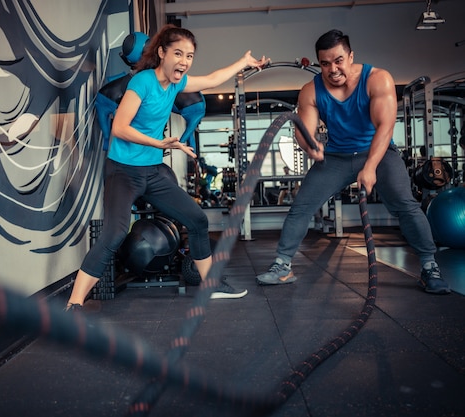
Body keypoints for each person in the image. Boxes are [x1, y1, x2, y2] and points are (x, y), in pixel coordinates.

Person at [66, 25, 270, 311]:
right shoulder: (143, 82)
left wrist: (243, 63)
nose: (185, 61)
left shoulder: (176, 83)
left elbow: (211, 79)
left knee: (197, 220)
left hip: (151, 172)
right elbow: (120, 128)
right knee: (114, 234)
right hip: (123, 171)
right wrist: (160, 143)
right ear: (161, 53)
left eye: (189, 55)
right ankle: (74, 303)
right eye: (178, 53)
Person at [256, 29, 450, 294]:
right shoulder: (310, 91)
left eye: (338, 60)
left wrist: (370, 167)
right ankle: (282, 266)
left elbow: (385, 127)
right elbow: (305, 132)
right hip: (336, 157)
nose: (332, 69)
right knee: (301, 207)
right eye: (325, 63)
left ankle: (429, 267)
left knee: (405, 205)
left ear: (350, 56)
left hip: (378, 152)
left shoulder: (377, 79)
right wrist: (310, 148)